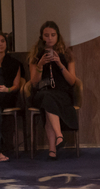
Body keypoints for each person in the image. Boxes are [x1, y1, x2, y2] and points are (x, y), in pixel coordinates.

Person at [28, 21, 78, 160]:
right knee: (46, 97)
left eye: (52, 35)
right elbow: (33, 82)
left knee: (48, 102)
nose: (49, 38)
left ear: (58, 36)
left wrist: (59, 64)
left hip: (62, 93)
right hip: (41, 92)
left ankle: (52, 149)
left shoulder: (66, 54)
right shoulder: (36, 55)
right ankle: (59, 136)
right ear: (41, 37)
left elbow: (72, 81)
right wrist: (40, 65)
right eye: (46, 35)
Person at [0, 31, 22, 162]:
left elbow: (17, 85)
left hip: (7, 95)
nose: (0, 44)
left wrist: (6, 89)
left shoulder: (14, 63)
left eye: (2, 41)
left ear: (6, 44)